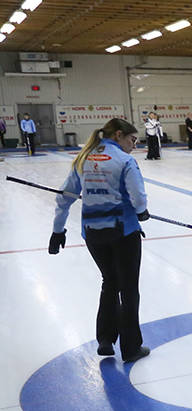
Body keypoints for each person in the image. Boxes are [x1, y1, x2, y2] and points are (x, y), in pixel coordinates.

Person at [48, 117, 150, 362]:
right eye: (131, 139)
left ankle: (105, 339)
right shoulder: (125, 161)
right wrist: (141, 211)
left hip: (93, 233)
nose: (133, 145)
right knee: (128, 289)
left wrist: (57, 230)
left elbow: (65, 197)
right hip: (123, 232)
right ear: (117, 135)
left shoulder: (83, 158)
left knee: (109, 282)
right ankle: (131, 347)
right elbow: (138, 196)